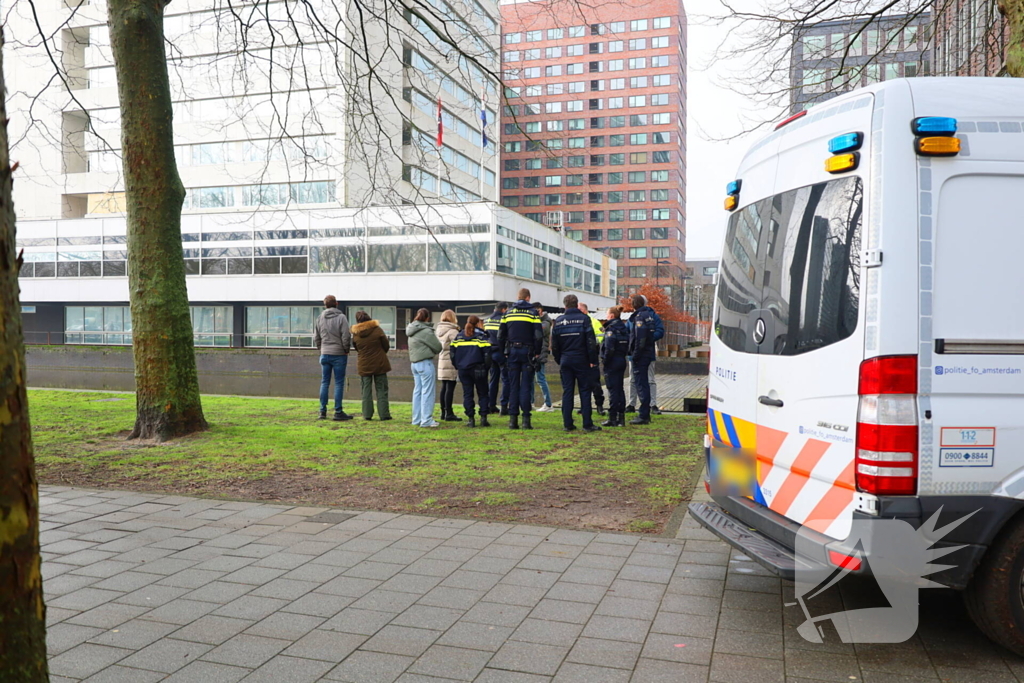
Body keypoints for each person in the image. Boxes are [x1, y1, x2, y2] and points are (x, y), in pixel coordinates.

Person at [551, 293, 601, 432]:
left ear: (565, 305)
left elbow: (554, 345)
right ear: (576, 304)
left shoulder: (559, 321)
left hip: (566, 360)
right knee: (585, 391)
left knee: (567, 391)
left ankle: (568, 424)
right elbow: (590, 342)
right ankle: (587, 424)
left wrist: (559, 359)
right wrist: (593, 360)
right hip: (582, 360)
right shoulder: (584, 319)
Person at [313, 295, 354, 421]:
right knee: (338, 383)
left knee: (324, 382)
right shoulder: (341, 317)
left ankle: (322, 411)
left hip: (325, 353)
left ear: (324, 305)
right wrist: (346, 350)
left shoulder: (319, 318)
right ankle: (338, 411)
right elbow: (346, 336)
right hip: (339, 354)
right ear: (337, 303)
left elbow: (316, 337)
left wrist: (321, 349)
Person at [627, 294, 665, 425]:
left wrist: (636, 351)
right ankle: (633, 405)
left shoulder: (640, 317)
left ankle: (646, 411)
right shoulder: (644, 316)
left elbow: (642, 337)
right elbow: (630, 333)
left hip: (641, 354)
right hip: (641, 352)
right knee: (636, 381)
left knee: (646, 381)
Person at [450, 315, 492, 428]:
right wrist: (486, 367)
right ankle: (483, 418)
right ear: (478, 323)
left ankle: (471, 419)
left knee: (467, 394)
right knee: (483, 393)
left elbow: (452, 354)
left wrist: (457, 366)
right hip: (479, 369)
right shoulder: (481, 337)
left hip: (463, 370)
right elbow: (487, 354)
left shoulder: (458, 337)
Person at [351, 310, 392, 421]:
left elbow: (356, 348)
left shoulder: (355, 334)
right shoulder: (377, 330)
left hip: (364, 364)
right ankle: (384, 414)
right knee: (382, 389)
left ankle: (367, 414)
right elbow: (386, 345)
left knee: (365, 390)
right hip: (380, 363)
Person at [406, 308, 443, 428]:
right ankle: (426, 420)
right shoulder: (426, 331)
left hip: (414, 364)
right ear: (427, 318)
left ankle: (416, 419)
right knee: (427, 392)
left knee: (417, 392)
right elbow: (438, 347)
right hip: (425, 363)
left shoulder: (411, 329)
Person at [601, 306, 630, 427]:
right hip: (622, 360)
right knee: (620, 389)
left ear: (612, 316)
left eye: (607, 314)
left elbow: (609, 348)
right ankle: (621, 418)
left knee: (612, 390)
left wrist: (605, 361)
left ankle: (612, 418)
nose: (606, 317)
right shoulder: (624, 328)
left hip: (612, 362)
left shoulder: (610, 329)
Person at [578, 303, 606, 416]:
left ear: (584, 310)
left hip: (592, 356)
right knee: (582, 384)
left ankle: (599, 406)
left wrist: (592, 343)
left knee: (595, 384)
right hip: (581, 357)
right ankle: (584, 406)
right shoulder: (579, 321)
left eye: (579, 309)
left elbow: (601, 336)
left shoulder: (593, 321)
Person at [435, 309, 462, 422]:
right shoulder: (452, 331)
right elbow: (459, 346)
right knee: (450, 387)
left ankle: (443, 412)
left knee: (444, 387)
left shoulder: (438, 330)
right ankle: (449, 413)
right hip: (450, 362)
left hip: (442, 361)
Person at [484, 302, 510, 415]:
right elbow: (506, 336)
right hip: (501, 352)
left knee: (493, 379)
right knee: (506, 380)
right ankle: (504, 406)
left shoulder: (487, 320)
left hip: (490, 352)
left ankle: (491, 405)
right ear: (504, 309)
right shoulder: (504, 319)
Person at [532, 301, 554, 412]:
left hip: (541, 353)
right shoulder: (540, 320)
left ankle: (548, 404)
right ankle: (531, 402)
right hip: (533, 353)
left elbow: (540, 330)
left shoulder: (546, 321)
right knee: (531, 379)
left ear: (540, 310)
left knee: (540, 379)